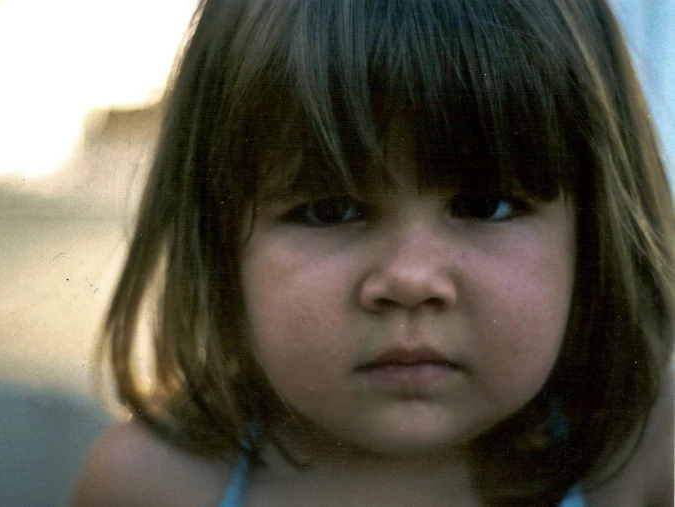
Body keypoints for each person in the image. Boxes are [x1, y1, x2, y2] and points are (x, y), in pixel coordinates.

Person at [73, 0, 675, 505]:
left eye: (486, 205)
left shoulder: (641, 458)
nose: (410, 280)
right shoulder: (155, 487)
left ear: (594, 231)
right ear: (219, 240)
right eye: (330, 210)